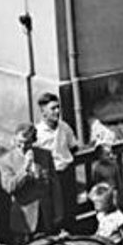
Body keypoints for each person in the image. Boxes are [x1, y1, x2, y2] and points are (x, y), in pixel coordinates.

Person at [0, 123, 62, 245]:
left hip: (46, 216)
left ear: (33, 141)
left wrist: (59, 212)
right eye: (19, 143)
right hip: (24, 223)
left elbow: (55, 186)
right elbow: (9, 187)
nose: (22, 147)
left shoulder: (45, 155)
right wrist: (25, 169)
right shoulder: (6, 161)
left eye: (27, 143)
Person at [35, 92, 79, 232]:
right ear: (43, 112)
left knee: (70, 208)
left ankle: (72, 235)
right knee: (54, 210)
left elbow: (73, 146)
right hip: (50, 176)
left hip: (66, 172)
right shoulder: (38, 132)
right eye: (53, 108)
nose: (57, 111)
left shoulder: (64, 127)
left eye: (58, 107)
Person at [88, 181, 123, 245]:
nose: (95, 207)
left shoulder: (120, 218)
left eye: (98, 204)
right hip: (101, 244)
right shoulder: (101, 214)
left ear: (107, 203)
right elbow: (101, 228)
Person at [91, 143, 123, 209]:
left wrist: (120, 195)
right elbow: (97, 185)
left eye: (111, 153)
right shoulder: (97, 168)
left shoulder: (114, 165)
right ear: (100, 156)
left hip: (114, 194)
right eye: (107, 154)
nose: (111, 156)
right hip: (104, 196)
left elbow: (118, 181)